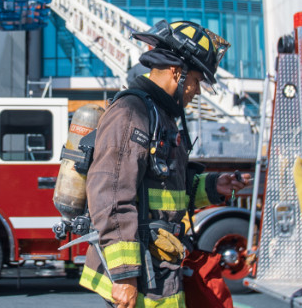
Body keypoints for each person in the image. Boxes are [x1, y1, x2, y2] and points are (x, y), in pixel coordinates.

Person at [79, 20, 252, 307]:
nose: (197, 91)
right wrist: (125, 276)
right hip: (140, 276)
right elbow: (111, 194)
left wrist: (213, 186)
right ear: (176, 72)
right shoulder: (132, 112)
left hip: (160, 268)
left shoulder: (162, 117)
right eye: (196, 80)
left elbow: (166, 190)